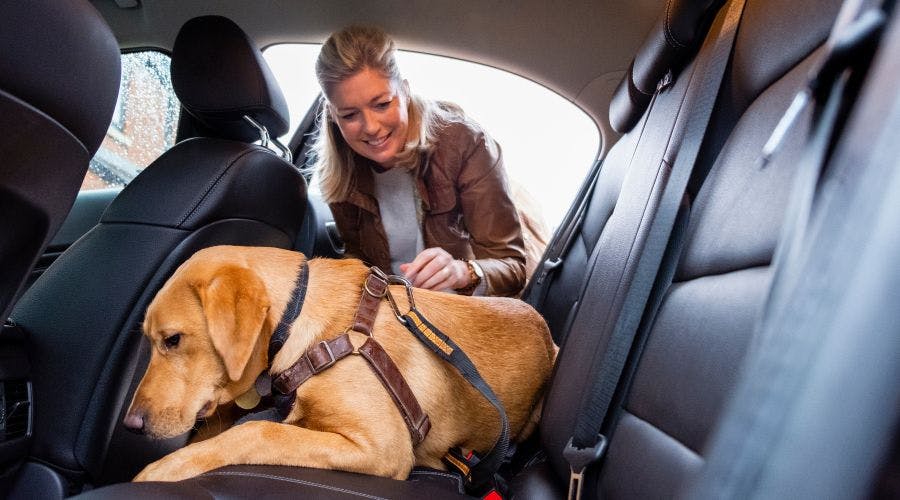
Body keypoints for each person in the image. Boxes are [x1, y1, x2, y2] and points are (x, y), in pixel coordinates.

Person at [311, 24, 534, 297]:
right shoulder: (339, 173)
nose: (370, 127)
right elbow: (358, 258)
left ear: (404, 91)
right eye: (349, 115)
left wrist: (460, 272)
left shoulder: (464, 143)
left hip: (464, 310)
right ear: (333, 115)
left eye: (382, 104)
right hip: (391, 314)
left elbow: (512, 267)